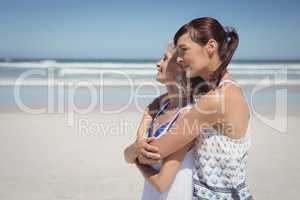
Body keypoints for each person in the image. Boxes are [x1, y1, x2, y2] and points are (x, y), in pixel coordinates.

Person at [135, 17, 254, 200]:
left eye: (183, 50)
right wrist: (148, 113)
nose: (179, 58)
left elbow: (154, 152)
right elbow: (162, 102)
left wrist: (131, 154)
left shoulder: (215, 100)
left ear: (210, 46)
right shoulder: (222, 91)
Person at [124, 43, 207, 200]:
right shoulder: (159, 107)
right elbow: (128, 155)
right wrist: (134, 153)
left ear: (181, 67)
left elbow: (162, 183)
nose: (158, 63)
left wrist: (137, 160)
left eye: (165, 58)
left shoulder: (187, 115)